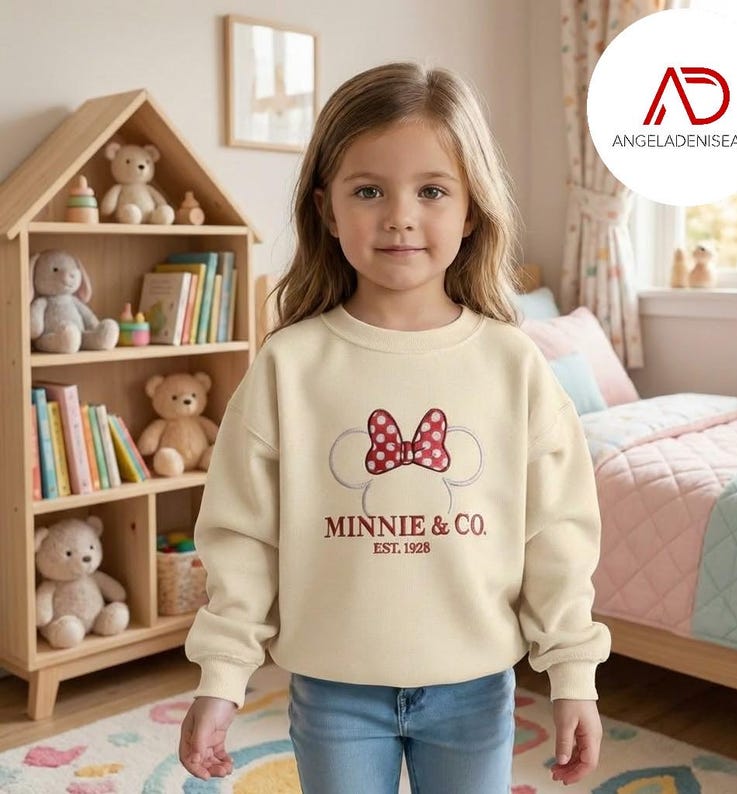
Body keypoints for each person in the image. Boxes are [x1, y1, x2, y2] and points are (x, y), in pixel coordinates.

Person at [178, 61, 610, 793]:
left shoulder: (513, 363)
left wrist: (574, 672)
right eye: (369, 190)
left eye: (432, 191)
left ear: (470, 209)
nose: (400, 215)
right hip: (333, 688)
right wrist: (222, 676)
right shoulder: (290, 366)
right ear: (326, 208)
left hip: (475, 688)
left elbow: (557, 532)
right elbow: (241, 535)